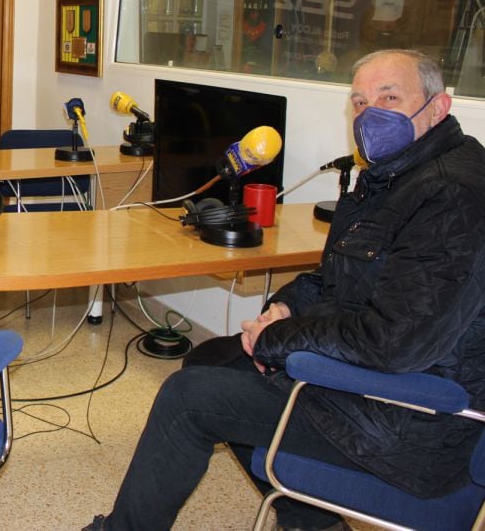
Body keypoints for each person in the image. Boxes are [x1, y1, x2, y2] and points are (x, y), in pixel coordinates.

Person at [86, 49, 485, 531]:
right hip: (368, 385)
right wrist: (285, 306)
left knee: (188, 398)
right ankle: (308, 519)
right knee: (210, 359)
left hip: (406, 418)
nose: (370, 114)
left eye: (390, 97)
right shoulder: (394, 176)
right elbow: (333, 279)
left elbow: (396, 342)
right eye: (359, 102)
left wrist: (278, 342)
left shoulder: (450, 196)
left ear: (438, 107)